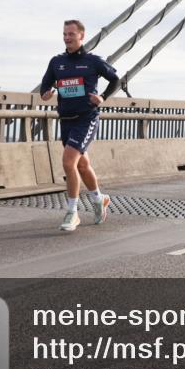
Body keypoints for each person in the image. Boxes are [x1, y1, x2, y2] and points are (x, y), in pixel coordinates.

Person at [39, 19, 120, 232]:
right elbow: (45, 86)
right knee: (82, 165)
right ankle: (99, 199)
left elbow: (116, 80)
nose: (67, 37)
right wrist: (46, 94)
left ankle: (72, 212)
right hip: (66, 120)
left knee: (68, 162)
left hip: (86, 118)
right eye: (64, 34)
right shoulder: (56, 62)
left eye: (71, 34)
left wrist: (102, 97)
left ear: (81, 36)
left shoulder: (93, 61)